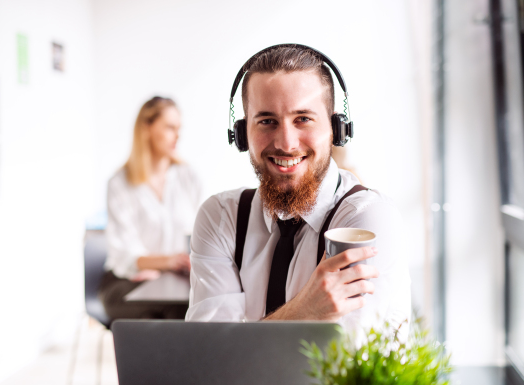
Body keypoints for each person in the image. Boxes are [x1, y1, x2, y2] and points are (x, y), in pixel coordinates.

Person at [186, 45, 410, 332]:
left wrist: (242, 343)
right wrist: (304, 312)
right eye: (267, 121)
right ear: (242, 135)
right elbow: (206, 358)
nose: (286, 143)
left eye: (302, 118)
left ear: (335, 129)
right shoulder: (220, 218)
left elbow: (340, 368)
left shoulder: (368, 220)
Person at [99, 96, 203, 321]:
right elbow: (124, 254)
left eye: (179, 128)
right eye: (169, 127)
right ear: (146, 128)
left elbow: (199, 232)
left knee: (193, 307)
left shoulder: (188, 177)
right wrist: (167, 261)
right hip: (127, 280)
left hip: (174, 281)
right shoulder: (119, 184)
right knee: (162, 314)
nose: (177, 135)